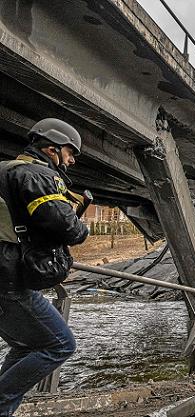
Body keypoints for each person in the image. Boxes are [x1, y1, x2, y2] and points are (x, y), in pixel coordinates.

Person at [0, 118, 89, 417]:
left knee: (27, 345)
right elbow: (66, 227)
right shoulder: (38, 175)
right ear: (51, 148)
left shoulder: (5, 171)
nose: (72, 160)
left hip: (5, 275)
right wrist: (83, 229)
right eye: (69, 152)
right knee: (61, 344)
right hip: (8, 279)